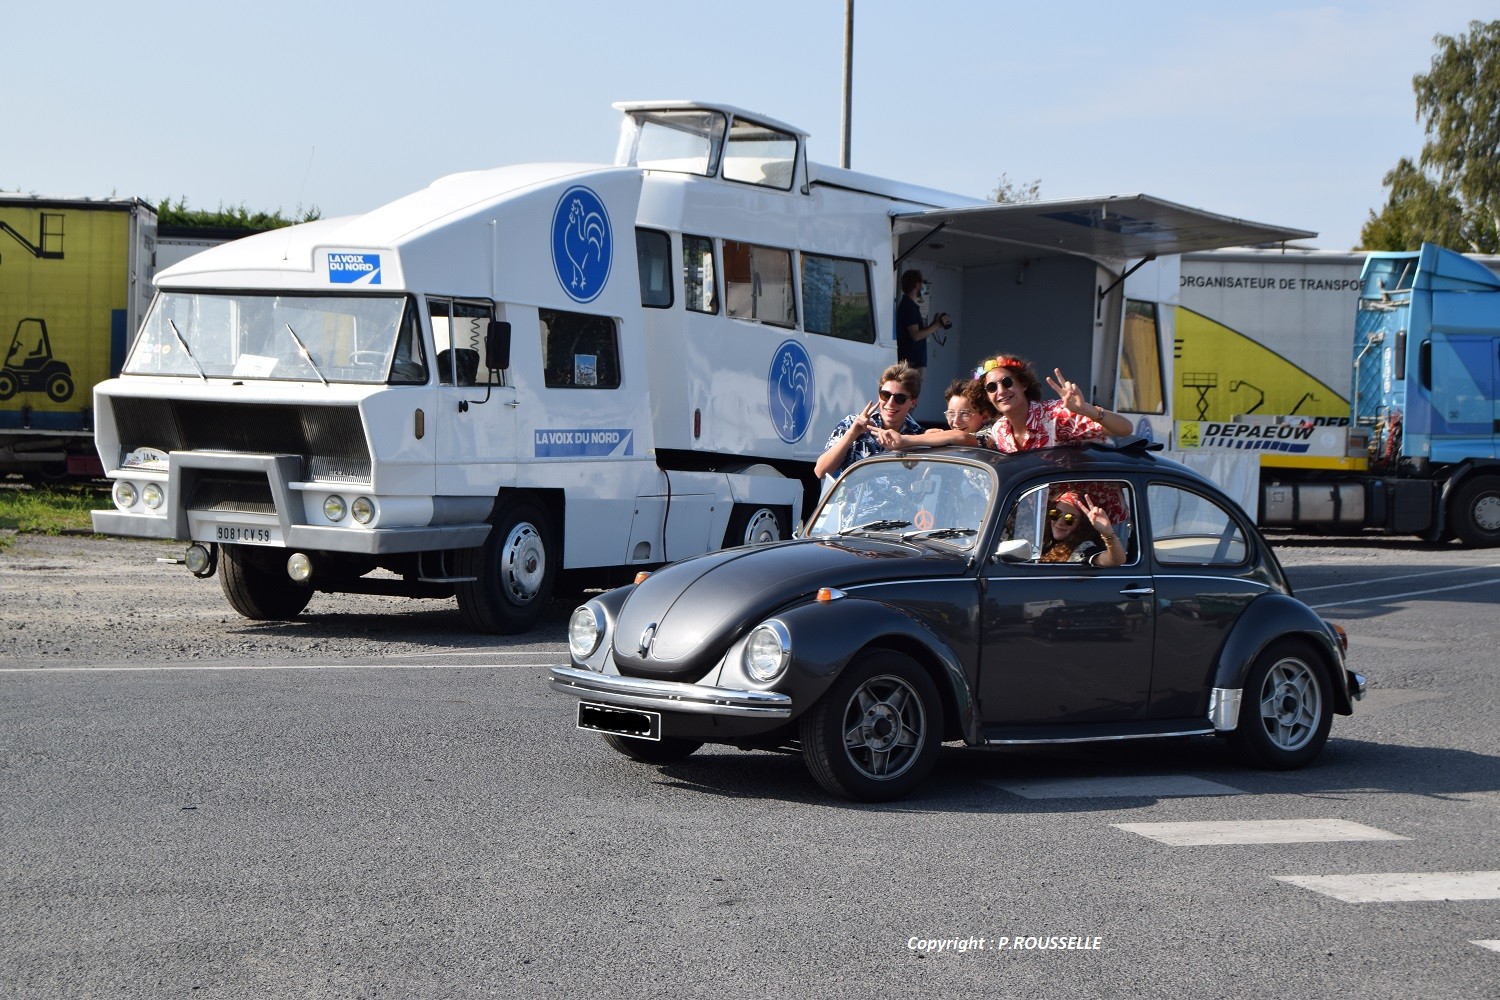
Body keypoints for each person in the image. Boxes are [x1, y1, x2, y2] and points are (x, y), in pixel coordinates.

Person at [977, 354, 1134, 452]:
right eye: (991, 387)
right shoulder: (999, 430)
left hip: (1086, 503)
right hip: (1041, 505)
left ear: (1023, 384)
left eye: (1007, 382)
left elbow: (1125, 429)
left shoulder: (1056, 416)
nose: (1001, 391)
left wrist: (1087, 410)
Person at [814, 362, 924, 480]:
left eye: (900, 398)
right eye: (885, 395)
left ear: (913, 402)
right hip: (853, 499)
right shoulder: (851, 423)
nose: (890, 403)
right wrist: (852, 434)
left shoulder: (918, 435)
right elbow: (820, 472)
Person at [883, 377, 997, 449]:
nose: (956, 421)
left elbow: (960, 437)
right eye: (951, 413)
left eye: (965, 414)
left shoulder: (992, 434)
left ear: (985, 416)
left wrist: (904, 440)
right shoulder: (950, 440)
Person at [1041, 489, 1126, 567]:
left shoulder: (1085, 548)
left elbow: (1116, 560)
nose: (1060, 522)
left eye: (1069, 518)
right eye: (1055, 513)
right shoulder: (1045, 540)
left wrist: (1107, 533)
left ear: (1082, 523)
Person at [895, 270, 950, 371]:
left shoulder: (908, 305)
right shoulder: (909, 306)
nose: (923, 287)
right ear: (917, 285)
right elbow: (916, 335)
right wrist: (937, 325)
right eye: (922, 284)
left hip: (912, 363)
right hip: (912, 364)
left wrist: (934, 324)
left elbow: (918, 332)